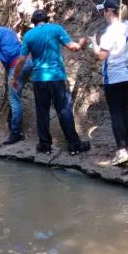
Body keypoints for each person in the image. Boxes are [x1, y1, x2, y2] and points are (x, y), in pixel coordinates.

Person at [11, 9, 91, 155]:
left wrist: (15, 78)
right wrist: (81, 43)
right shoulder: (56, 29)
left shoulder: (29, 35)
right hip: (57, 77)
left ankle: (44, 146)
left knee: (42, 113)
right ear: (47, 19)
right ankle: (74, 145)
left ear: (33, 22)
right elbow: (73, 47)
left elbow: (22, 60)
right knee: (64, 111)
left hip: (39, 79)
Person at [88, 0, 128, 165]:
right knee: (124, 111)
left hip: (115, 76)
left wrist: (93, 44)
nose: (103, 13)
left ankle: (122, 151)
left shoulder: (111, 31)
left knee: (116, 113)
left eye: (104, 10)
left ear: (109, 11)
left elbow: (102, 56)